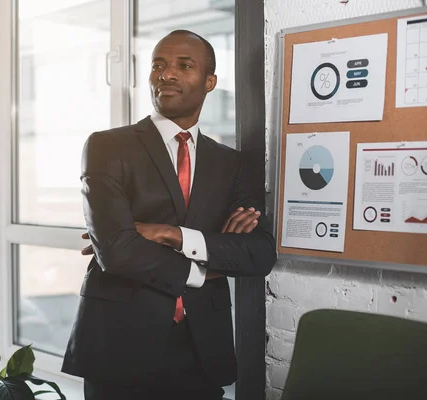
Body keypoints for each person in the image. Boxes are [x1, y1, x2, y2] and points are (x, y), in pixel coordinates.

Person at [61, 29, 276, 400]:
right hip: (119, 346)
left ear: (210, 82)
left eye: (184, 65)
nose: (167, 74)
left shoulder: (229, 163)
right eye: (158, 64)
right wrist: (206, 266)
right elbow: (116, 250)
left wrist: (172, 234)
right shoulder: (107, 146)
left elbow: (259, 253)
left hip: (201, 346)